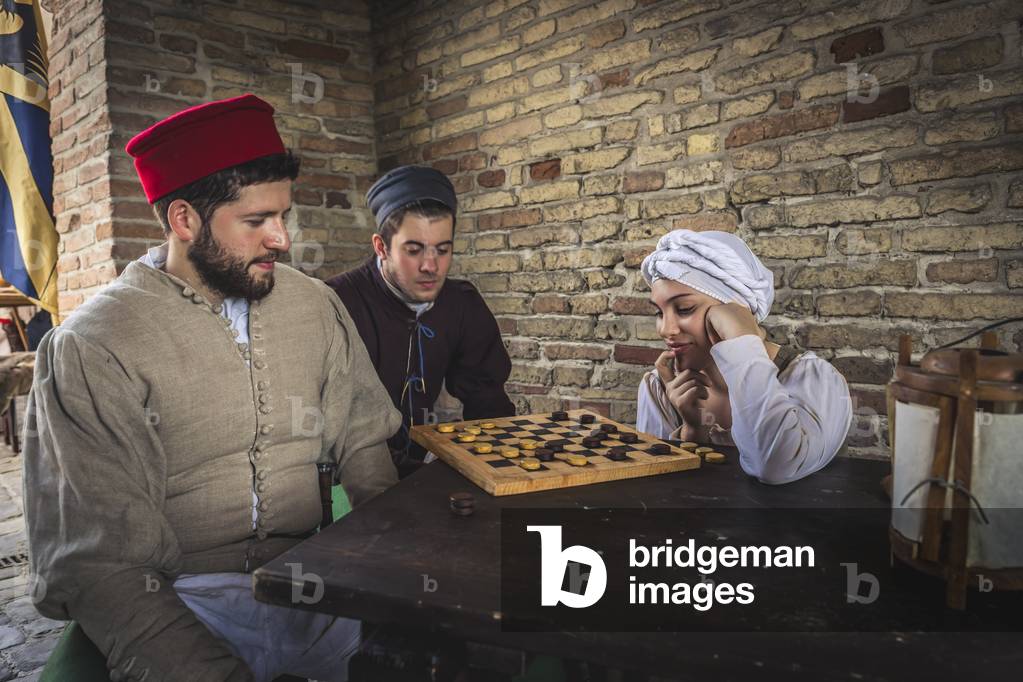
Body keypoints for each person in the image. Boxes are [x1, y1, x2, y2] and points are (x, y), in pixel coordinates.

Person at [23, 94, 401, 681]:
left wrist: (391, 579)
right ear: (184, 220)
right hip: (182, 600)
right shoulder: (95, 345)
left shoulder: (315, 304)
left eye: (284, 216)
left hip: (319, 580)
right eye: (256, 222)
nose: (281, 239)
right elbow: (104, 565)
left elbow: (365, 445)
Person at [327, 165, 514, 477]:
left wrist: (495, 462)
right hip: (349, 481)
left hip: (426, 475)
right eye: (414, 250)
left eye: (442, 250)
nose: (431, 266)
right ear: (381, 247)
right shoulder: (336, 303)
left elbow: (488, 401)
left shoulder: (462, 304)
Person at [636, 229, 853, 484]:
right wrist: (693, 430)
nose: (666, 329)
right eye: (660, 313)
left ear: (736, 310)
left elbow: (773, 466)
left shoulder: (813, 380)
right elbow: (655, 489)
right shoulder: (659, 386)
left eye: (684, 309)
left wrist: (741, 338)